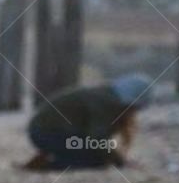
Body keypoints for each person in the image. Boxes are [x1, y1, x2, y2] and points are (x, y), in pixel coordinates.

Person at [25, 73, 153, 170]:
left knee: (95, 155)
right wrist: (119, 162)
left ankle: (52, 156)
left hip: (46, 130)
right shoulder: (107, 103)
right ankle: (48, 164)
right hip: (46, 132)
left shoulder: (106, 96)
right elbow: (97, 138)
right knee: (95, 161)